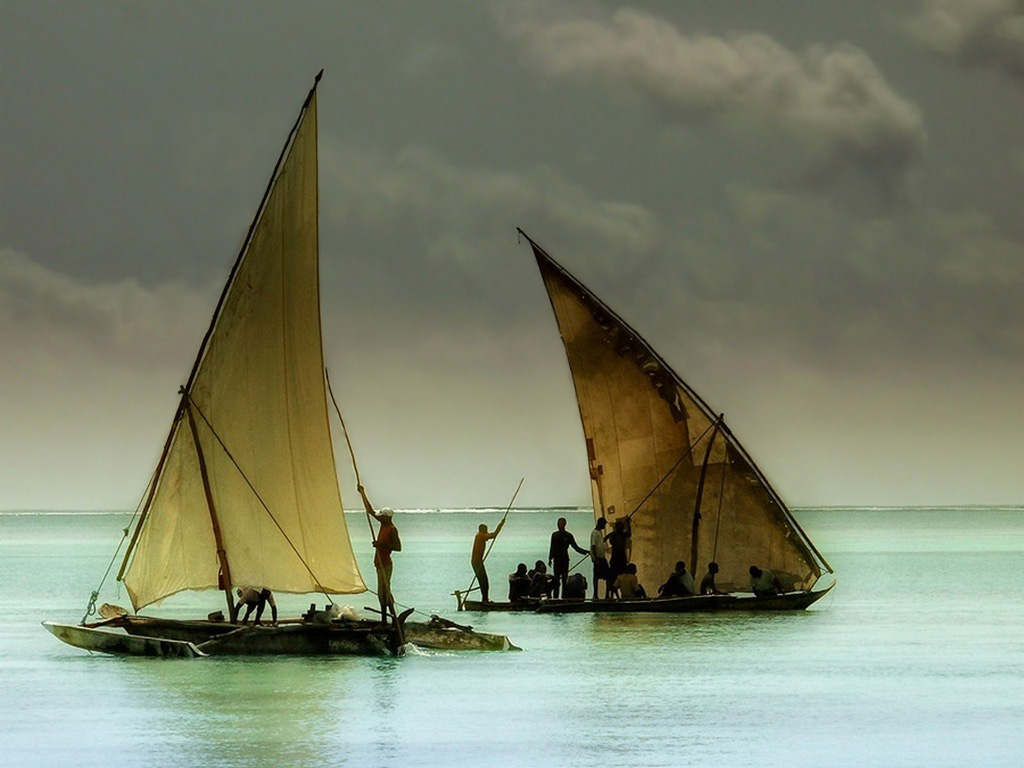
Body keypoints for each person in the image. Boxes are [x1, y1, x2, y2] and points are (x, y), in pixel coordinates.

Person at [358, 484, 402, 625]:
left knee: (385, 592)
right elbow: (370, 511)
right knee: (381, 593)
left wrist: (381, 544)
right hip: (379, 563)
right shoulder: (383, 525)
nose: (380, 518)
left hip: (386, 564)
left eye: (382, 516)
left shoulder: (392, 529)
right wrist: (362, 493)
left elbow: (398, 547)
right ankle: (385, 619)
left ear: (387, 518)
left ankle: (390, 619)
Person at [548, 517, 589, 598]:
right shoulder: (554, 535)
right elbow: (552, 547)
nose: (559, 526)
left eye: (561, 524)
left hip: (564, 559)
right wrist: (550, 558)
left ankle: (564, 596)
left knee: (564, 579)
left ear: (564, 524)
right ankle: (555, 597)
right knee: (556, 580)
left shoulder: (568, 535)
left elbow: (575, 547)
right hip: (556, 560)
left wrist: (585, 552)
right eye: (558, 524)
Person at [470, 519, 505, 602]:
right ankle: (485, 600)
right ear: (483, 531)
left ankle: (485, 599)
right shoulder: (480, 536)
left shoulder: (479, 536)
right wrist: (500, 525)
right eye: (486, 530)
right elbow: (493, 535)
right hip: (477, 562)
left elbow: (490, 536)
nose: (487, 532)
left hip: (478, 562)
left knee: (484, 582)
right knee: (484, 582)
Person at [606, 518, 631, 595]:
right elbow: (606, 539)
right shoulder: (614, 535)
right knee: (613, 578)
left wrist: (628, 524)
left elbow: (629, 534)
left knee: (621, 577)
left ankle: (619, 594)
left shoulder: (622, 535)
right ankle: (611, 595)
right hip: (616, 559)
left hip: (620, 559)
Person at [590, 517, 611, 599]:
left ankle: (605, 595)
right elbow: (593, 546)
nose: (605, 526)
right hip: (599, 558)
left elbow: (601, 542)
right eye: (604, 524)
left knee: (601, 576)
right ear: (600, 523)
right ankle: (596, 595)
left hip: (601, 557)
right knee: (598, 577)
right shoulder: (595, 533)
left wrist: (608, 536)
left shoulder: (599, 532)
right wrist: (596, 558)